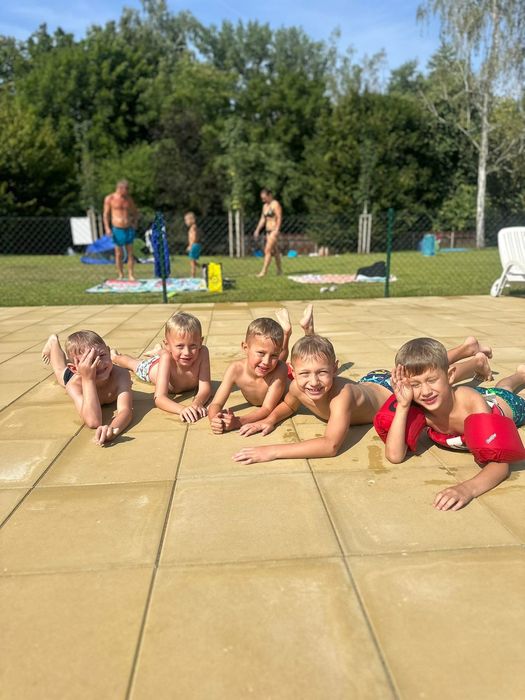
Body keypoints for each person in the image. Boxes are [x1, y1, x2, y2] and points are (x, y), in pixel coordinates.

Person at [232, 334, 494, 464]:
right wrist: (270, 419)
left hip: (386, 390)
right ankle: (470, 351)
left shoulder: (341, 396)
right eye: (305, 374)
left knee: (430, 375)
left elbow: (330, 446)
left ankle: (474, 360)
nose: (313, 382)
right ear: (293, 371)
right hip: (370, 381)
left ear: (335, 369)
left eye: (322, 373)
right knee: (426, 372)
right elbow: (289, 404)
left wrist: (272, 452)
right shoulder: (297, 387)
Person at [383, 338, 525, 511]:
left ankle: (520, 376)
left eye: (432, 380)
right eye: (415, 384)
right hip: (468, 396)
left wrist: (467, 489)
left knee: (505, 391)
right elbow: (395, 456)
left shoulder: (472, 403)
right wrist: (403, 405)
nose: (425, 392)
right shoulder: (419, 409)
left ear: (450, 376)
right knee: (501, 388)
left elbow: (500, 464)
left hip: (507, 405)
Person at [208, 305, 315, 434]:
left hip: (286, 378)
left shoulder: (280, 369)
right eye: (260, 353)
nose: (266, 361)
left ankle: (308, 331)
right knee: (276, 361)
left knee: (310, 363)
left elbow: (267, 409)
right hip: (274, 372)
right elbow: (216, 404)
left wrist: (238, 421)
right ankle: (286, 332)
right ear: (245, 347)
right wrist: (215, 419)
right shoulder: (235, 369)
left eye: (273, 355)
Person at [111, 312, 211, 423]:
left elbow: (205, 388)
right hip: (151, 367)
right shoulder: (167, 358)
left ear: (200, 342)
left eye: (193, 346)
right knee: (134, 364)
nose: (187, 352)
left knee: (164, 354)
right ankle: (116, 357)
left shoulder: (203, 352)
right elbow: (159, 398)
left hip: (166, 354)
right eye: (180, 346)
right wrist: (182, 409)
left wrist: (197, 404)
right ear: (167, 344)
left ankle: (158, 350)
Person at [41, 331, 133, 445]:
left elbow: (126, 410)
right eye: (89, 361)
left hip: (84, 373)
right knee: (60, 371)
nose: (98, 363)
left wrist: (113, 429)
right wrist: (88, 379)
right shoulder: (74, 385)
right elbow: (93, 421)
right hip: (79, 377)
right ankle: (53, 342)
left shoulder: (121, 375)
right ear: (74, 368)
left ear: (109, 352)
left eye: (102, 355)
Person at [103, 179, 139, 281]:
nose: (127, 191)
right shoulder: (110, 198)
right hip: (117, 228)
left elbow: (135, 212)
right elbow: (106, 215)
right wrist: (107, 228)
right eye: (126, 189)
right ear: (120, 188)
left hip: (128, 227)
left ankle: (131, 274)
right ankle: (121, 274)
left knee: (130, 252)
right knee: (118, 253)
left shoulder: (128, 199)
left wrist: (135, 223)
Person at [253, 188, 283, 277]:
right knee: (275, 251)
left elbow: (279, 217)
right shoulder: (265, 206)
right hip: (268, 231)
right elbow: (263, 219)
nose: (263, 200)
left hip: (274, 231)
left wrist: (277, 229)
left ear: (269, 195)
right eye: (262, 198)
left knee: (267, 250)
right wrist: (257, 229)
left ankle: (263, 271)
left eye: (264, 198)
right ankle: (280, 270)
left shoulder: (275, 204)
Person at [185, 212, 202, 278]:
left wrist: (190, 246)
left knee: (192, 262)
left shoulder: (193, 227)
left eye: (187, 220)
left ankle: (192, 276)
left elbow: (194, 237)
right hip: (195, 245)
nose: (186, 222)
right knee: (193, 261)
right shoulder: (193, 227)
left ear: (192, 220)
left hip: (194, 245)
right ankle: (203, 267)